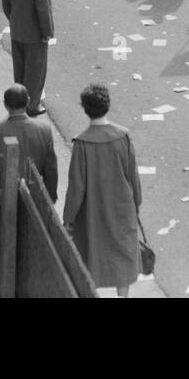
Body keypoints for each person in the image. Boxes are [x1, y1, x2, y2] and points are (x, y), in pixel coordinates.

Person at [63, 83, 143, 297]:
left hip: (93, 211)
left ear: (85, 108)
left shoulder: (82, 144)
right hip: (121, 207)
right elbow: (132, 176)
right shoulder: (123, 137)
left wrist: (68, 217)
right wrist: (137, 204)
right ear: (107, 106)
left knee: (92, 254)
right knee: (122, 256)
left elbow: (76, 187)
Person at [1, 0, 54, 116]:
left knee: (20, 68)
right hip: (34, 34)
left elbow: (6, 4)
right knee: (35, 72)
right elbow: (43, 9)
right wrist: (47, 32)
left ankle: (19, 101)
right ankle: (32, 105)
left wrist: (14, 20)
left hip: (17, 30)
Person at [0, 84, 59, 200]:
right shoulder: (44, 130)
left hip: (2, 198)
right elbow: (51, 170)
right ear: (28, 101)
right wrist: (50, 198)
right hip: (33, 197)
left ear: (5, 105)